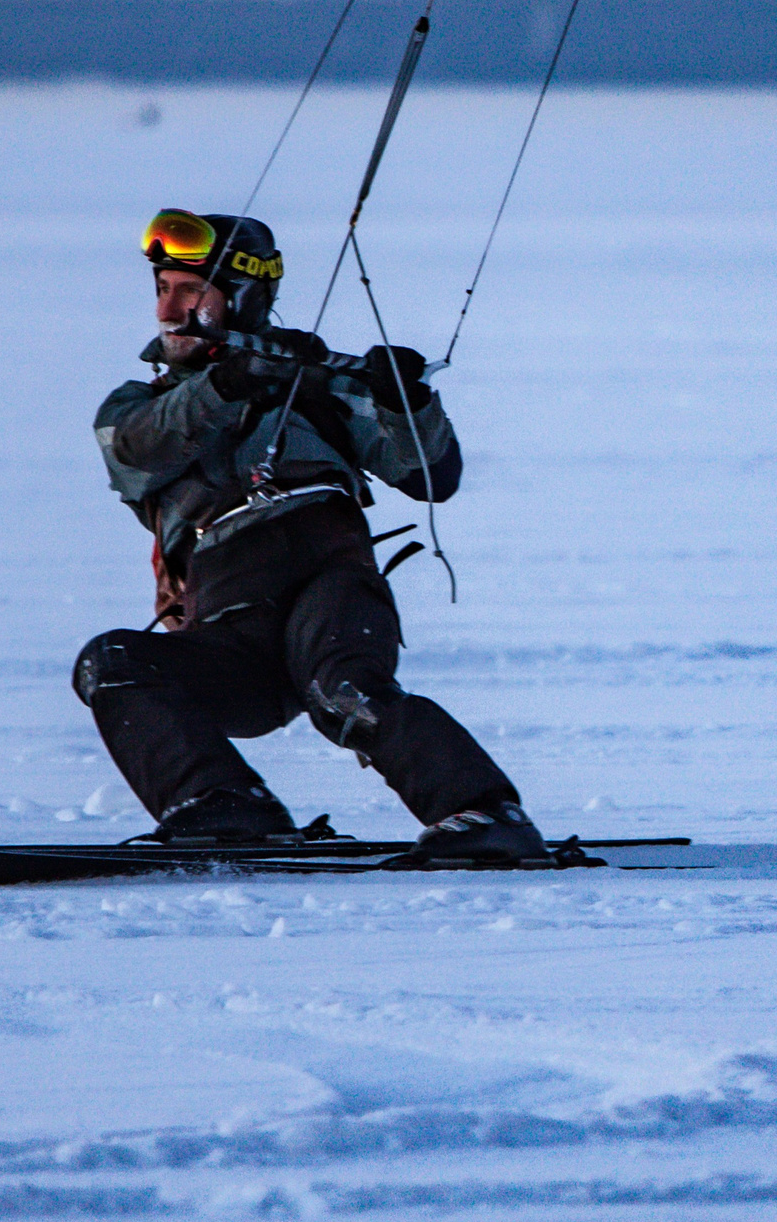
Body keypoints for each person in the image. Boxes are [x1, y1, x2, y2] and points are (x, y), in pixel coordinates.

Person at [71, 208, 544, 861]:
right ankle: (223, 806)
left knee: (343, 691)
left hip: (331, 581)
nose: (167, 308)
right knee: (112, 662)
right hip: (234, 630)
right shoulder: (136, 404)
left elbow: (433, 475)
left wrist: (405, 402)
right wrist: (225, 385)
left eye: (188, 289)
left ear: (241, 296)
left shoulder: (320, 393)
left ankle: (484, 812)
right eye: (161, 289)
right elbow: (138, 449)